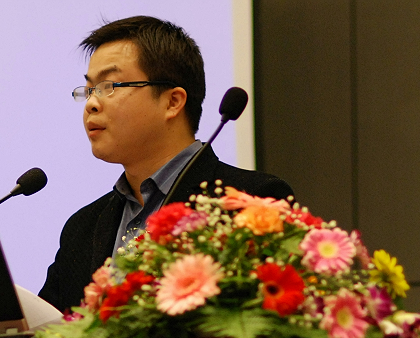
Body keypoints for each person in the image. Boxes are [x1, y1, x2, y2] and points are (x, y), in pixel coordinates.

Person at [39, 16, 294, 312]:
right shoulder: (82, 229)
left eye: (109, 86)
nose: (91, 104)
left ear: (172, 102)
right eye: (89, 90)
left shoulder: (252, 202)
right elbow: (46, 330)